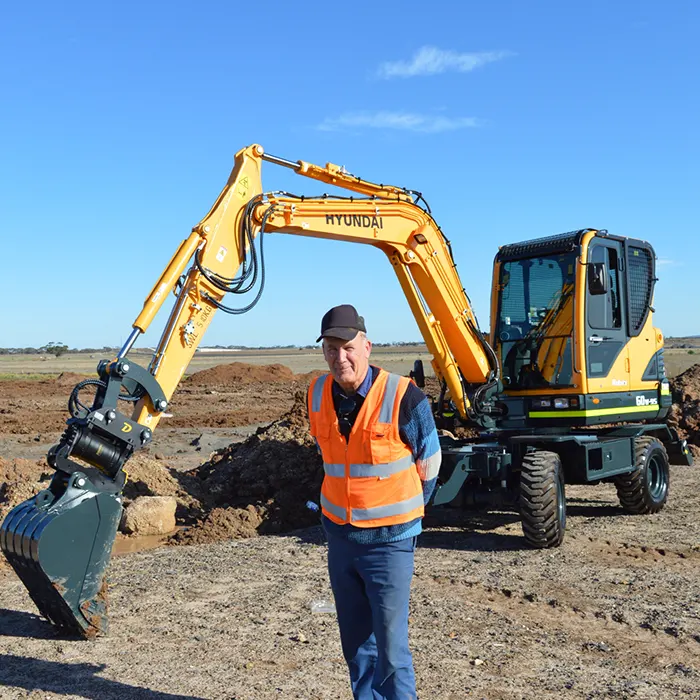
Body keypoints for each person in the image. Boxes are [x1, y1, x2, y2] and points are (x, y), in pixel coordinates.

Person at [307, 304, 441, 700]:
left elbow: (430, 464)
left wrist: (407, 513)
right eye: (331, 348)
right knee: (356, 646)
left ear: (366, 346)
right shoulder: (316, 393)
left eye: (347, 347)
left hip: (389, 543)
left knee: (391, 647)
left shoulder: (403, 395)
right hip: (341, 539)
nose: (339, 357)